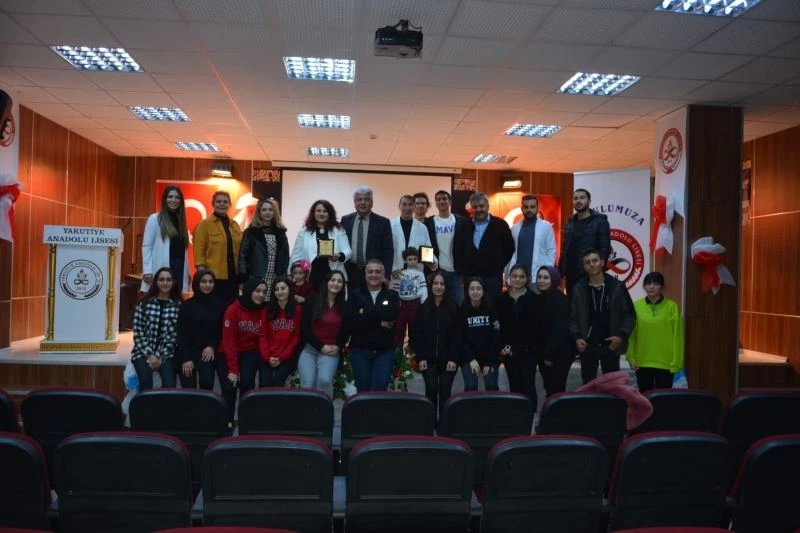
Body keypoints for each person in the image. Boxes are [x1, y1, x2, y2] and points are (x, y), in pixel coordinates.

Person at [569, 249, 636, 385]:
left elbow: (629, 315)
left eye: (594, 260)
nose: (591, 264)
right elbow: (572, 318)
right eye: (587, 262)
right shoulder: (578, 289)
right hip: (588, 345)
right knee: (588, 387)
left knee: (613, 387)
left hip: (611, 345)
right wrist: (577, 337)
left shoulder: (617, 287)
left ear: (602, 262)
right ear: (584, 266)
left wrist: (621, 336)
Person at [412, 271, 460, 420]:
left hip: (449, 361)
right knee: (431, 390)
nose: (439, 287)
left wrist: (454, 358)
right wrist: (421, 357)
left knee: (445, 393)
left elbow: (458, 337)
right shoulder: (423, 308)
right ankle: (430, 424)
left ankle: (444, 427)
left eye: (442, 284)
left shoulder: (454, 308)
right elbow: (416, 335)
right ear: (431, 286)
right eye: (436, 283)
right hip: (428, 360)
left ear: (446, 286)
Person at [347, 259, 401, 392]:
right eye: (370, 271)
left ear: (383, 275)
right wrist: (379, 321)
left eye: (378, 272)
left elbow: (391, 314)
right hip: (360, 350)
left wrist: (364, 312)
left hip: (384, 351)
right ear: (365, 274)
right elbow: (352, 321)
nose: (374, 275)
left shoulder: (392, 295)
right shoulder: (355, 294)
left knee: (379, 388)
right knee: (363, 388)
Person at [627, 272, 684, 392]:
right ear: (644, 286)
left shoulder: (671, 307)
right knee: (644, 398)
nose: (651, 286)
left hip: (666, 363)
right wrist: (631, 357)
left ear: (662, 286)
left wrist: (676, 362)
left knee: (663, 400)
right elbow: (632, 335)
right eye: (648, 283)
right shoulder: (636, 306)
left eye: (656, 283)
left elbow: (678, 336)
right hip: (642, 362)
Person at [221, 278, 269, 419]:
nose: (261, 295)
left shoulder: (263, 309)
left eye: (264, 292)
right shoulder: (233, 310)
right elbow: (229, 341)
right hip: (229, 351)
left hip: (249, 350)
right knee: (230, 386)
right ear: (249, 291)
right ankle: (226, 421)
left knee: (247, 383)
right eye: (258, 291)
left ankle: (245, 420)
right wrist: (233, 370)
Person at [297, 270, 348, 398]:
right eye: (333, 280)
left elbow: (345, 331)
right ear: (326, 282)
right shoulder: (313, 299)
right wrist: (320, 346)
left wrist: (339, 346)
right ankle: (308, 411)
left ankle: (325, 410)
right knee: (308, 384)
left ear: (343, 286)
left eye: (339, 281)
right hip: (310, 349)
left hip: (331, 350)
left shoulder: (344, 306)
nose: (335, 283)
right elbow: (304, 328)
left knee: (324, 381)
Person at [175, 268, 227, 391]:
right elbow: (181, 333)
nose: (207, 285)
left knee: (207, 382)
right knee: (189, 389)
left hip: (206, 352)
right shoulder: (186, 305)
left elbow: (221, 330)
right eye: (204, 281)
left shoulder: (220, 304)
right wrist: (186, 359)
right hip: (187, 352)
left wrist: (212, 346)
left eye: (210, 282)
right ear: (197, 283)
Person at [456, 192, 515, 298]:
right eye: (475, 207)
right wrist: (462, 272)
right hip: (470, 277)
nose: (479, 209)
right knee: (471, 305)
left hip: (493, 278)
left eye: (481, 206)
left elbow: (509, 248)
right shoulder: (464, 226)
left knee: (493, 305)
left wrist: (497, 265)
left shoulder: (501, 225)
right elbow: (458, 249)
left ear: (488, 206)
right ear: (471, 209)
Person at [131, 267, 181, 389]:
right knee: (146, 382)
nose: (165, 283)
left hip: (167, 353)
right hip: (142, 352)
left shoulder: (178, 305)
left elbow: (175, 336)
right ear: (156, 282)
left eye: (168, 280)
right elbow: (138, 333)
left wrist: (161, 355)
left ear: (173, 282)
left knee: (170, 385)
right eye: (161, 279)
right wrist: (150, 355)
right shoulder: (144, 303)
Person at [497, 264, 538, 407]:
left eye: (522, 276)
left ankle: (531, 417)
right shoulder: (501, 300)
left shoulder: (534, 299)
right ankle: (517, 416)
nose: (518, 279)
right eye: (514, 276)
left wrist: (521, 348)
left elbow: (535, 328)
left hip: (528, 352)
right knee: (514, 386)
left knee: (528, 385)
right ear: (509, 277)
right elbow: (498, 326)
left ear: (527, 279)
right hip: (508, 352)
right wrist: (502, 347)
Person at [559, 188, 611, 297]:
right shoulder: (570, 223)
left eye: (582, 198)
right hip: (570, 273)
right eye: (575, 198)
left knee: (589, 303)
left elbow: (605, 248)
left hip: (590, 272)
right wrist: (561, 271)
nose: (578, 201)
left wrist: (598, 270)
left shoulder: (600, 222)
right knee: (572, 303)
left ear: (589, 201)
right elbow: (565, 249)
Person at [193, 190, 243, 302]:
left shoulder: (235, 225)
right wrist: (203, 276)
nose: (222, 204)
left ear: (229, 205)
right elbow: (198, 252)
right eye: (218, 201)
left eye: (225, 202)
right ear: (213, 204)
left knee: (231, 307)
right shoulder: (204, 225)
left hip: (233, 277)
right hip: (213, 277)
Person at [290, 199, 351, 289]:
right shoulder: (304, 231)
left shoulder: (338, 230)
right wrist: (290, 274)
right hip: (311, 277)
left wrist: (339, 256)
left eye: (325, 211)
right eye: (318, 211)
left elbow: (348, 251)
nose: (321, 214)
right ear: (313, 213)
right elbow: (296, 254)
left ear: (330, 213)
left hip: (334, 277)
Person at [340, 186, 394, 290]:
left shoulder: (383, 222)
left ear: (372, 202)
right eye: (359, 199)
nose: (363, 202)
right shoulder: (346, 220)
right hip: (350, 271)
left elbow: (388, 250)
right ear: (354, 202)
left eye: (366, 199)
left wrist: (386, 275)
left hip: (374, 273)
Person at [238, 197, 289, 301]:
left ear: (274, 212)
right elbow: (243, 256)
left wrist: (284, 276)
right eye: (264, 210)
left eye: (270, 210)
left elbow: (285, 257)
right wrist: (243, 278)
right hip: (256, 276)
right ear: (259, 212)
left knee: (272, 305)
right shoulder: (251, 232)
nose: (267, 212)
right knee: (256, 303)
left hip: (275, 276)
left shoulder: (281, 233)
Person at [141, 185, 190, 293]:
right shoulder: (155, 219)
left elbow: (184, 250)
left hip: (179, 267)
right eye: (170, 197)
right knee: (159, 296)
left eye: (177, 197)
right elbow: (147, 246)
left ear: (181, 201)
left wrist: (187, 272)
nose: (174, 200)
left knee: (176, 299)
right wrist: (147, 270)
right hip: (162, 266)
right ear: (164, 199)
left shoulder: (181, 222)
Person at [534, 266, 573, 397]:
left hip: (558, 355)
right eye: (539, 277)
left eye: (546, 278)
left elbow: (559, 330)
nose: (541, 280)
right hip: (544, 354)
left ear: (554, 279)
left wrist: (549, 355)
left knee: (556, 390)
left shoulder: (561, 300)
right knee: (549, 388)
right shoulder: (539, 299)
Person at [424, 189, 467, 304]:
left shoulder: (461, 221)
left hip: (457, 273)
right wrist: (429, 271)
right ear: (436, 203)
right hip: (437, 271)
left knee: (459, 304)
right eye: (438, 199)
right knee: (438, 304)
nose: (441, 201)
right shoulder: (429, 222)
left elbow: (466, 248)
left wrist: (464, 272)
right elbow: (425, 245)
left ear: (450, 201)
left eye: (444, 199)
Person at [459, 277, 502, 391]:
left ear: (483, 291)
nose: (475, 291)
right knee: (471, 386)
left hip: (490, 356)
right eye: (472, 289)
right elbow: (461, 339)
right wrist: (471, 359)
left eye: (478, 288)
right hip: (469, 357)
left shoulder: (492, 309)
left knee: (491, 385)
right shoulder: (462, 310)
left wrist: (489, 361)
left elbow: (496, 337)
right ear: (467, 291)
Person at [508, 194, 556, 292]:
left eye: (532, 207)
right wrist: (507, 276)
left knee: (538, 301)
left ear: (538, 208)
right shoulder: (514, 228)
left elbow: (551, 250)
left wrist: (546, 273)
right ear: (522, 209)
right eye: (526, 207)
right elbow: (510, 253)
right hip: (518, 277)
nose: (529, 210)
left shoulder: (546, 226)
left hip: (537, 277)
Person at [262, 277, 303, 387]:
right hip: (268, 356)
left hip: (287, 357)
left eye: (283, 288)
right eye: (277, 289)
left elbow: (296, 337)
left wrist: (282, 357)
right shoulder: (267, 310)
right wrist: (267, 357)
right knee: (264, 384)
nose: (280, 292)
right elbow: (262, 336)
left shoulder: (298, 310)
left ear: (289, 289)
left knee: (277, 383)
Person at [391, 247, 428, 351]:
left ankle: (413, 351)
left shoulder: (420, 274)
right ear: (405, 260)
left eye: (415, 259)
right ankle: (398, 351)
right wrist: (396, 303)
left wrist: (424, 304)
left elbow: (424, 289)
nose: (413, 261)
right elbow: (396, 290)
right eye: (410, 259)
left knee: (414, 328)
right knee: (399, 328)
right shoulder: (400, 274)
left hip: (415, 304)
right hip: (402, 304)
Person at [390, 195, 433, 276]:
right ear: (399, 206)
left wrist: (432, 263)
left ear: (414, 207)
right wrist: (392, 268)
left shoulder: (422, 228)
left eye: (410, 205)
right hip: (395, 272)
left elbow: (427, 248)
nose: (407, 207)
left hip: (416, 272)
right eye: (404, 204)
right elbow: (386, 250)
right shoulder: (390, 225)